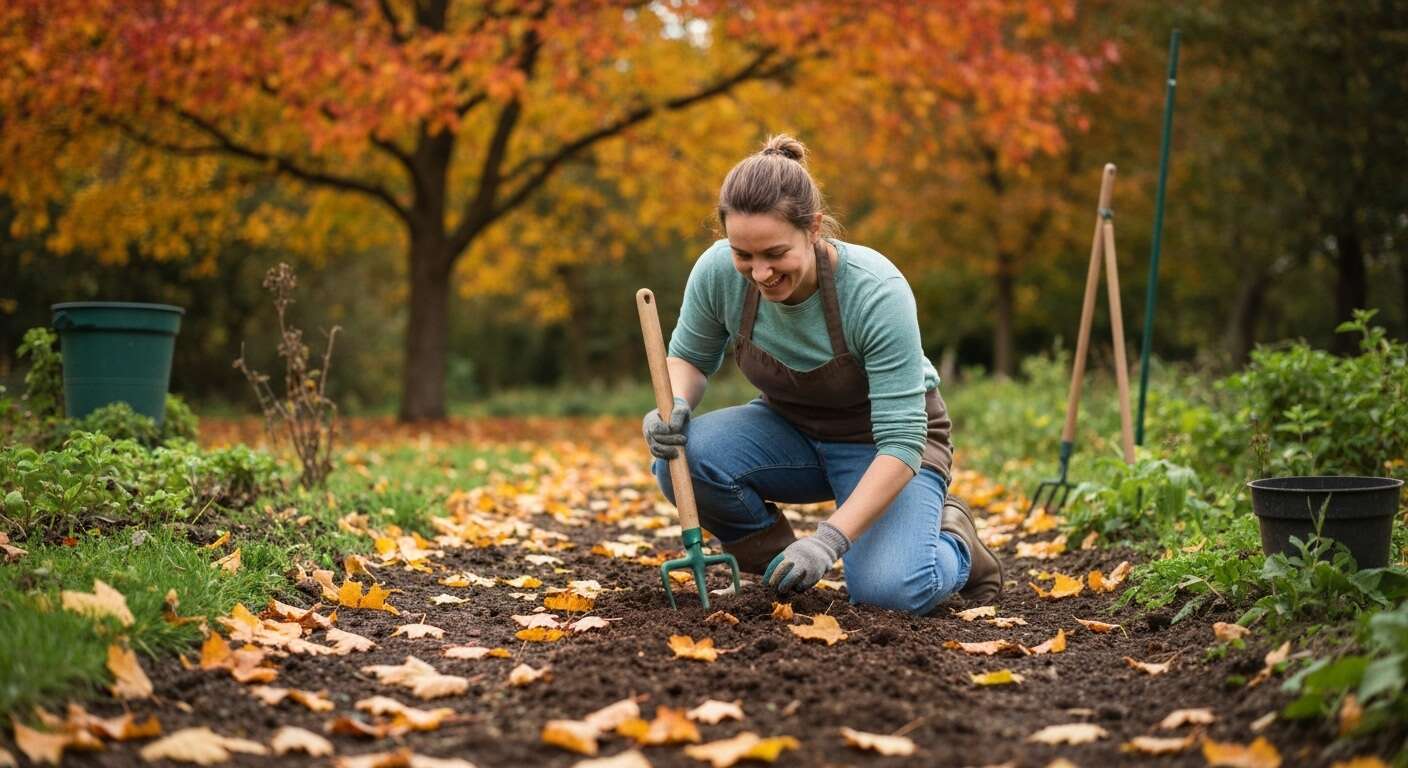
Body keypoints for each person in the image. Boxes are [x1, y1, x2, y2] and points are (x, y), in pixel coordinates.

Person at [642, 134, 1002, 615]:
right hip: (790, 432)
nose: (761, 273)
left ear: (813, 228)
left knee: (890, 594)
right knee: (684, 458)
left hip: (883, 446)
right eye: (743, 256)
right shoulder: (717, 273)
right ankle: (778, 565)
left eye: (775, 253)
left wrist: (828, 540)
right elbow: (687, 359)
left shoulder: (875, 292)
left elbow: (902, 442)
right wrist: (676, 405)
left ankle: (956, 542)